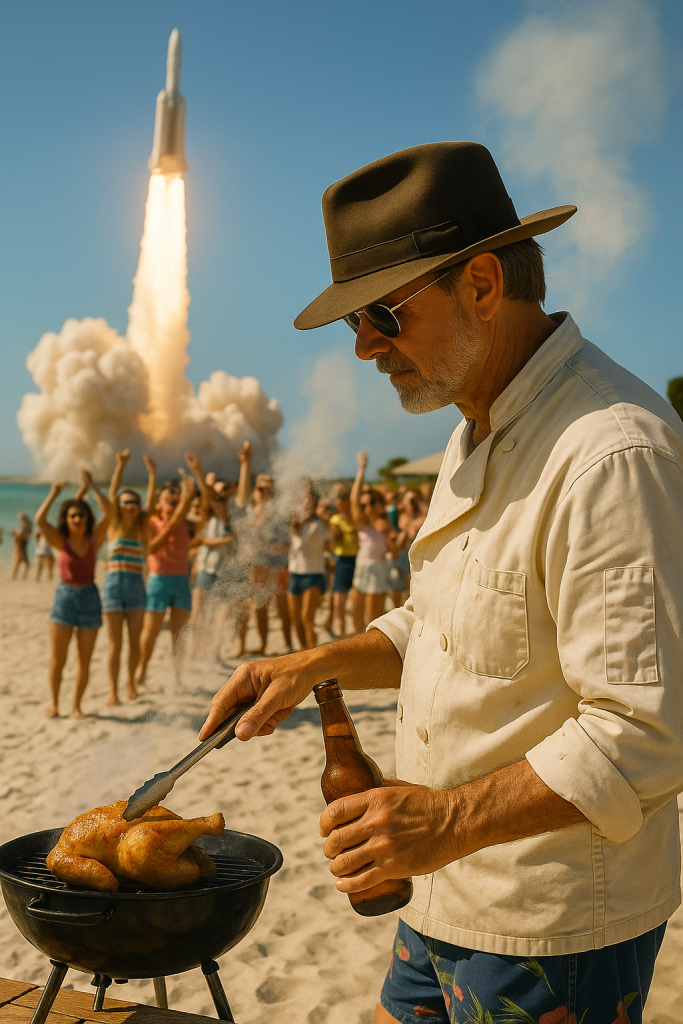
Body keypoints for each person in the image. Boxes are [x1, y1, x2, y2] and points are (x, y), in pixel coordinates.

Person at [200, 142, 683, 1023]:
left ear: (484, 285)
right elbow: (441, 620)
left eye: (381, 315)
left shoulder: (609, 450)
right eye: (353, 324)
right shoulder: (472, 428)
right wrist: (315, 663)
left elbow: (643, 732)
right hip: (439, 893)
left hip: (549, 925)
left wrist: (441, 824)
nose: (363, 349)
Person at [35, 470, 112, 718]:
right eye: (72, 515)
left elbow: (110, 512)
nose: (77, 518)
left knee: (84, 661)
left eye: (80, 514)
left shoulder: (94, 540)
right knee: (58, 659)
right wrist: (54, 494)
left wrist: (91, 485)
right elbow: (40, 520)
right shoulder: (61, 541)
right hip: (64, 600)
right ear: (66, 520)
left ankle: (76, 706)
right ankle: (55, 704)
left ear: (87, 517)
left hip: (90, 599)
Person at [135, 453, 209, 688]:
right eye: (169, 500)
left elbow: (205, 504)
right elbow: (150, 546)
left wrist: (197, 473)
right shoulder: (152, 522)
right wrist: (152, 475)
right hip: (158, 580)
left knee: (179, 634)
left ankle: (177, 677)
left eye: (177, 500)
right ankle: (142, 670)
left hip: (180, 580)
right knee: (151, 631)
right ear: (159, 503)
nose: (174, 504)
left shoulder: (187, 523)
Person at [102, 450, 156, 705]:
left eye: (134, 502)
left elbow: (153, 503)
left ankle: (131, 682)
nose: (130, 506)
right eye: (125, 503)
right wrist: (120, 466)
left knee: (135, 642)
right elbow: (112, 493)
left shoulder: (142, 528)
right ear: (119, 507)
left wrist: (153, 475)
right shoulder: (112, 525)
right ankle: (113, 690)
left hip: (136, 586)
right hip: (113, 586)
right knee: (115, 644)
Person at [235, 440, 292, 656]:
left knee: (282, 605)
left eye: (269, 487)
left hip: (278, 562)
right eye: (261, 487)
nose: (266, 491)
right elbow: (241, 493)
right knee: (259, 606)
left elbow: (288, 540)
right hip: (257, 562)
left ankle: (287, 645)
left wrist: (278, 548)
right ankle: (263, 645)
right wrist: (245, 463)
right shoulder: (250, 508)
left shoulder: (279, 510)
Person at [349, 451, 398, 632]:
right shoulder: (363, 524)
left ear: (379, 504)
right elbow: (354, 500)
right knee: (355, 616)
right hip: (361, 567)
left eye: (370, 503)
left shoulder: (386, 526)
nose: (365, 507)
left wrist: (392, 540)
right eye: (364, 505)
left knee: (373, 619)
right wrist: (361, 470)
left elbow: (394, 553)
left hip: (378, 570)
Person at [189, 479, 236, 658]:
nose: (219, 498)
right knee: (198, 614)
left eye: (222, 495)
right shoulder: (205, 518)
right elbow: (199, 541)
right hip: (205, 569)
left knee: (219, 615)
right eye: (216, 495)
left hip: (223, 571)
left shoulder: (233, 516)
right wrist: (222, 541)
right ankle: (196, 649)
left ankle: (214, 651)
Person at [287, 484, 331, 650]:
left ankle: (311, 653)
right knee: (296, 619)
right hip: (295, 573)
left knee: (307, 618)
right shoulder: (297, 522)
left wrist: (296, 529)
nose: (304, 501)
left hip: (313, 574)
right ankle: (303, 651)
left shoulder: (318, 525)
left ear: (314, 501)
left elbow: (306, 546)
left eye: (307, 498)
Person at [327, 483, 358, 637]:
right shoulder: (335, 519)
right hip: (342, 559)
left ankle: (354, 631)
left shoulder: (355, 516)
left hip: (356, 559)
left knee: (354, 599)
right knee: (339, 599)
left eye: (341, 503)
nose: (338, 506)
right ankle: (341, 632)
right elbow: (335, 541)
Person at [11, 513, 32, 579]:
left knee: (19, 562)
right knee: (21, 562)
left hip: (21, 546)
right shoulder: (27, 526)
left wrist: (15, 534)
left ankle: (16, 576)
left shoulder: (25, 527)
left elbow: (20, 536)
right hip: (21, 545)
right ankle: (19, 576)